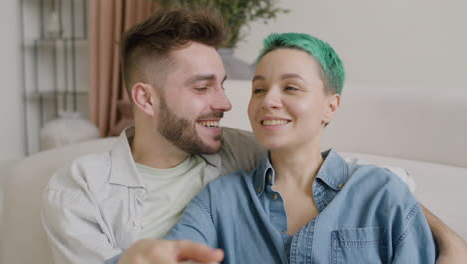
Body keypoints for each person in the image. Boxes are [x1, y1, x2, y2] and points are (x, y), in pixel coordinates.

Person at [41, 6, 466, 264]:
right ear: (146, 100)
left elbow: (351, 176)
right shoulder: (80, 190)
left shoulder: (239, 149)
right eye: (202, 87)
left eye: (226, 84)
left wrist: (451, 241)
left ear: (331, 106)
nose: (228, 103)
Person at [163, 32, 438, 263]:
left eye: (291, 87)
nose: (268, 100)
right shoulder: (220, 200)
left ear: (330, 107)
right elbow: (163, 257)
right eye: (258, 89)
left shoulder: (382, 193)